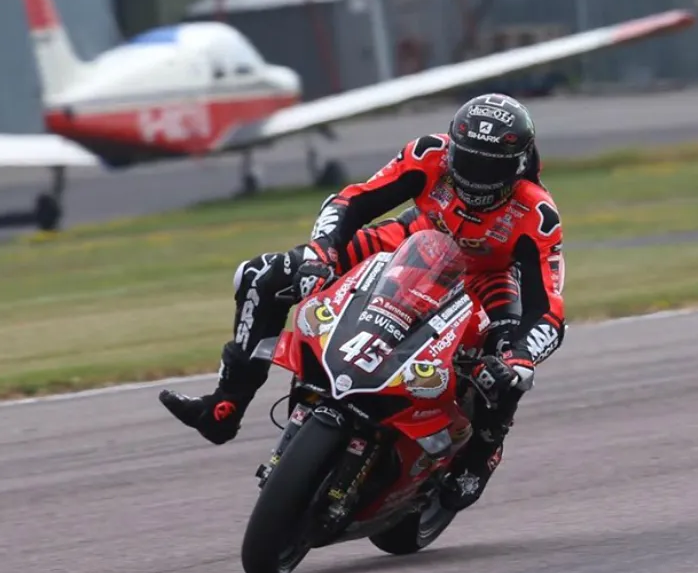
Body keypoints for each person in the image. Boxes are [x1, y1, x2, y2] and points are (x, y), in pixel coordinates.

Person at [158, 93, 566, 513]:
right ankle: (225, 405)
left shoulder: (537, 213)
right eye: (468, 159)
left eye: (491, 165)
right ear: (454, 146)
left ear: (519, 162)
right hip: (411, 243)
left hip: (487, 280)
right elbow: (352, 200)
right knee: (261, 275)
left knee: (503, 367)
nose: (476, 175)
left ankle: (482, 456)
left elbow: (548, 312)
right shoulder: (430, 154)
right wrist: (322, 251)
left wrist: (519, 359)